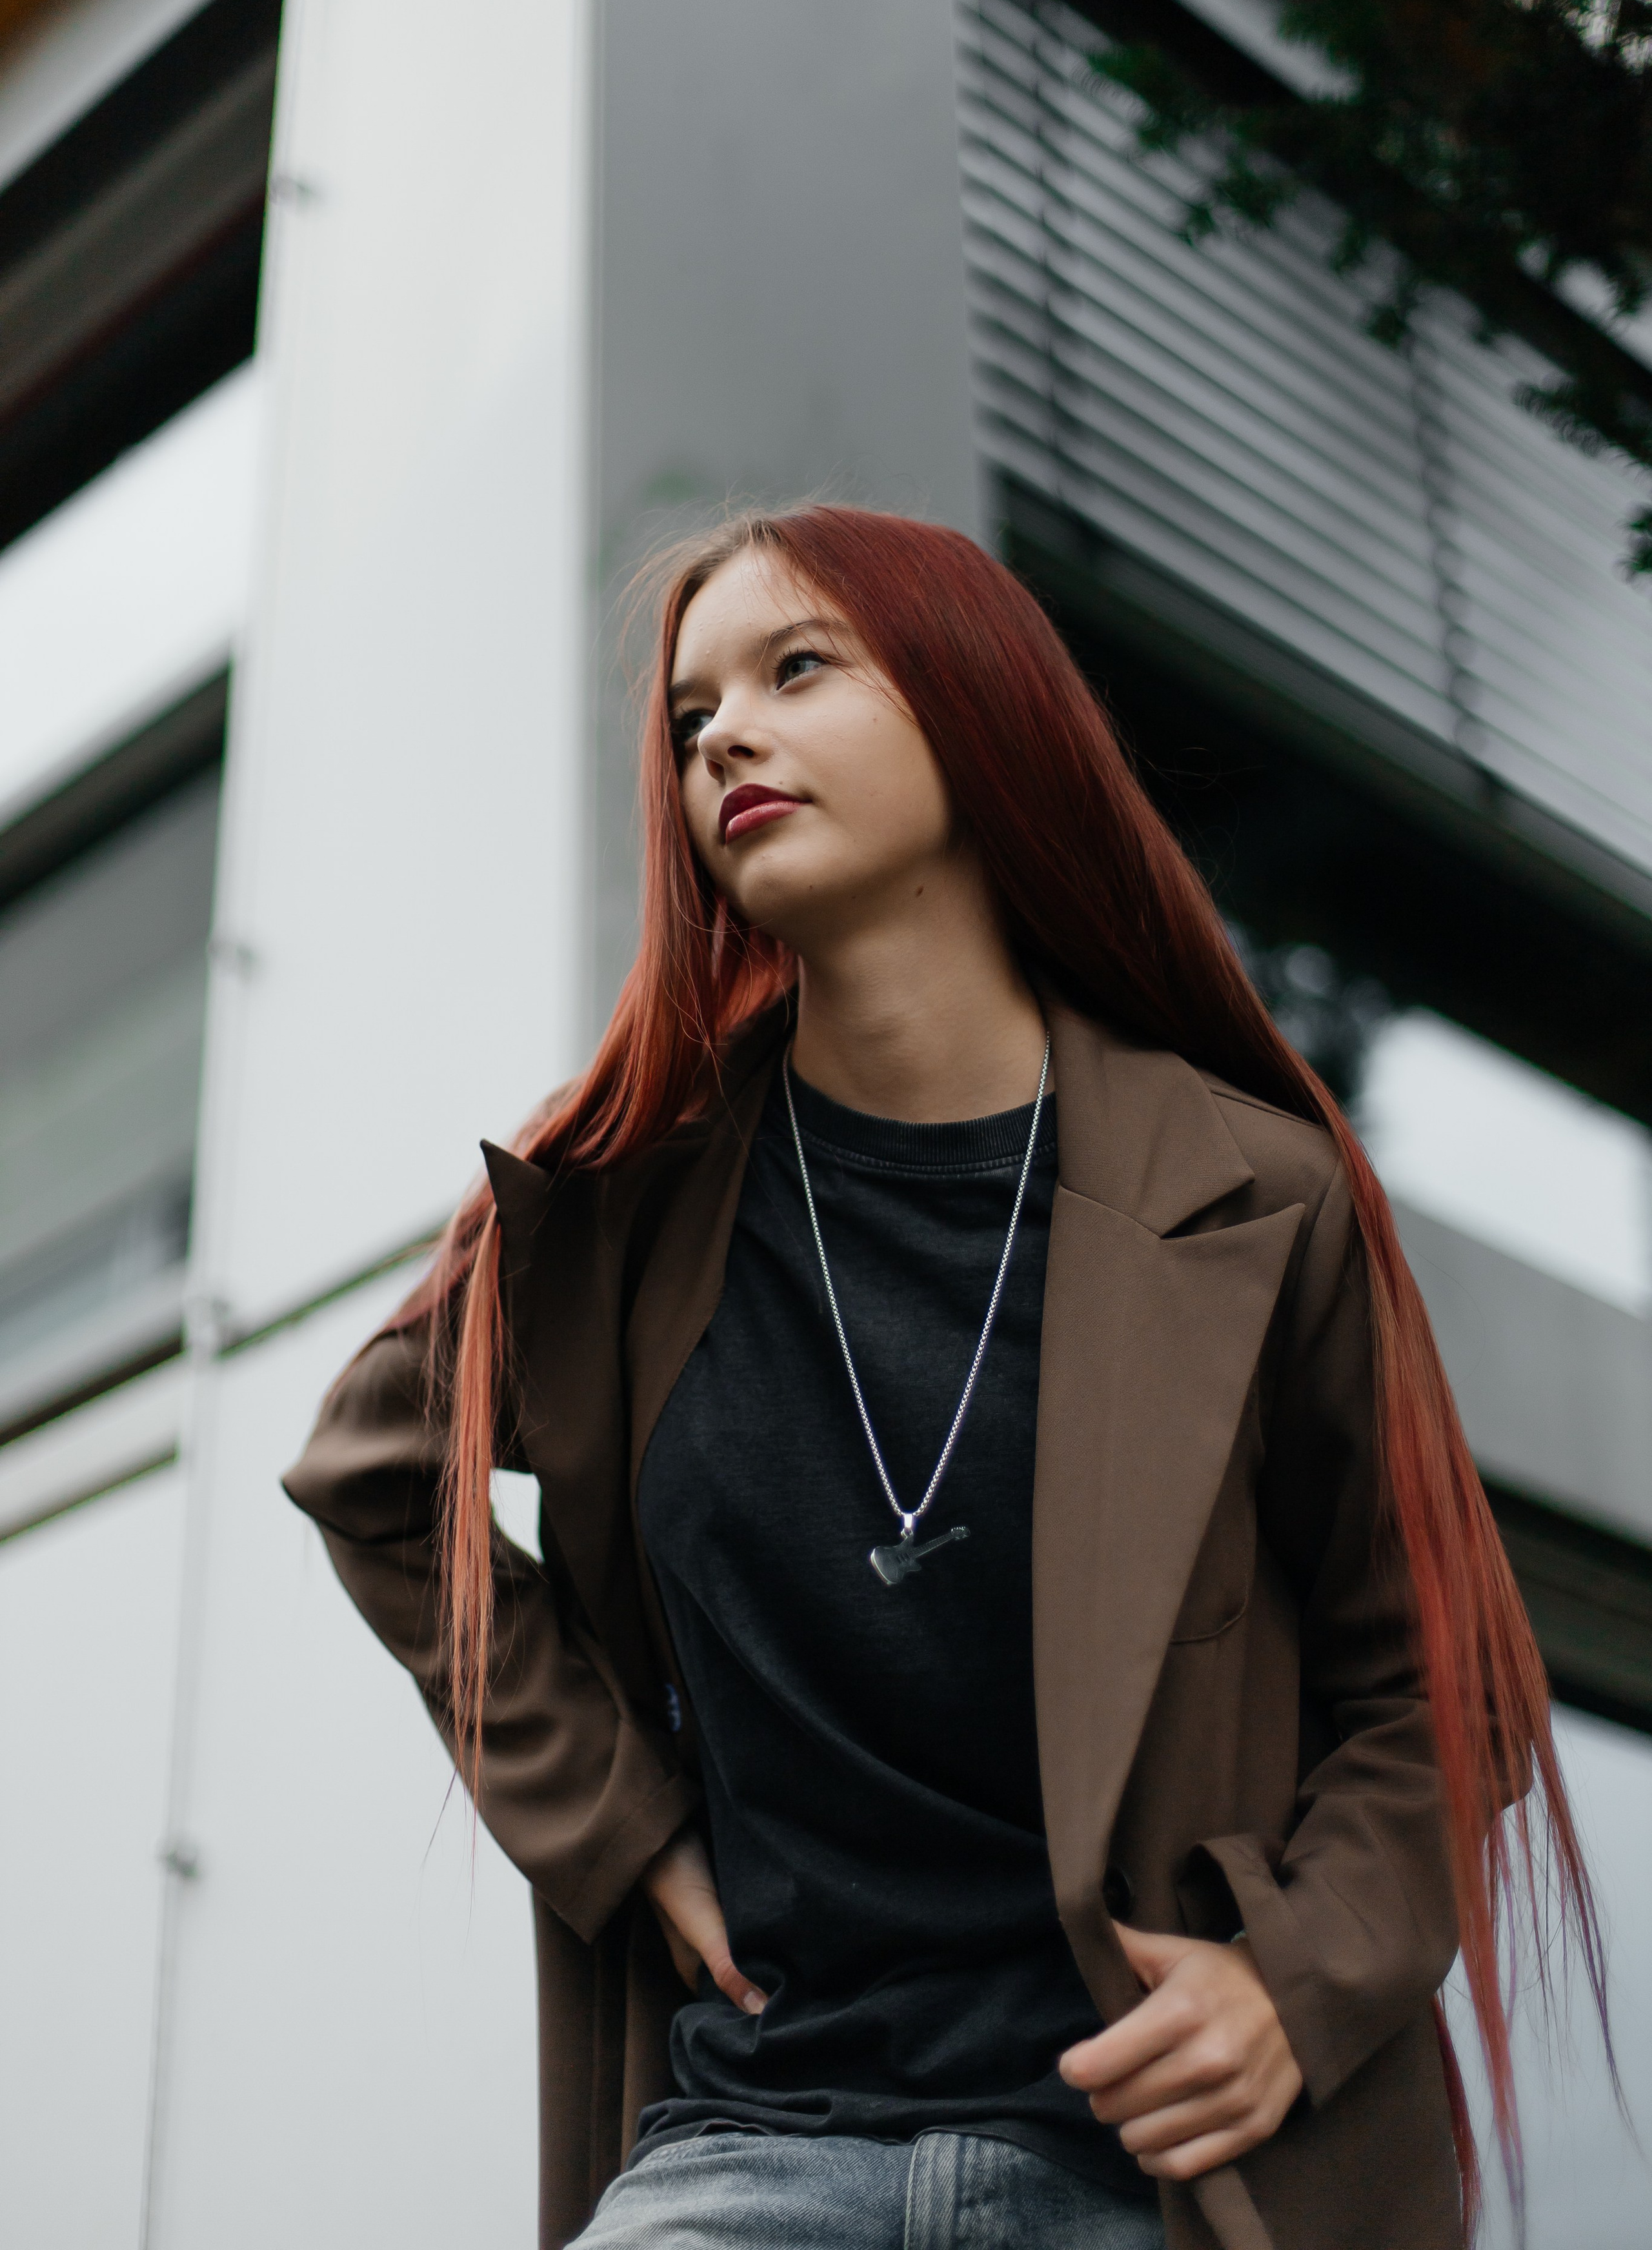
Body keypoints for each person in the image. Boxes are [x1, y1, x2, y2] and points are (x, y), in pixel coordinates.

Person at [285, 508, 1604, 2250]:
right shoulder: (630, 1207)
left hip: (1153, 2182)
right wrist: (620, 1822)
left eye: (796, 668)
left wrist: (1294, 1983)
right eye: (690, 718)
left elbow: (1442, 1690)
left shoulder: (1249, 1198)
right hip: (748, 2155)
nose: (722, 737)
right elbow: (371, 1472)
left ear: (982, 715)